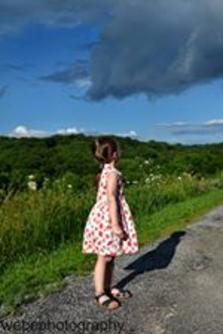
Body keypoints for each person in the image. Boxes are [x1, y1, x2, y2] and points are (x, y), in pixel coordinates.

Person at [82, 136, 139, 310]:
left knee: (110, 255)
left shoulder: (105, 172)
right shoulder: (112, 174)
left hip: (104, 217)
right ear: (114, 154)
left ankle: (107, 288)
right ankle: (99, 293)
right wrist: (116, 225)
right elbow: (111, 198)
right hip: (107, 220)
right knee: (104, 257)